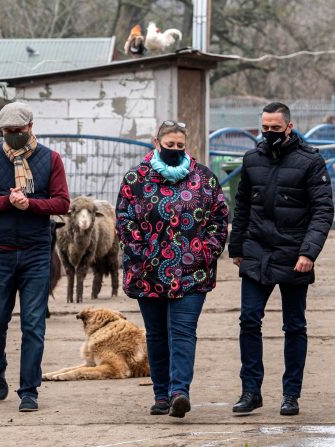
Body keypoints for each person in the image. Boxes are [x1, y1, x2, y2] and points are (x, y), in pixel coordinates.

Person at [115, 120, 228, 418]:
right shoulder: (136, 179)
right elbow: (124, 220)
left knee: (182, 331)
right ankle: (161, 394)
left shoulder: (204, 178)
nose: (175, 150)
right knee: (156, 334)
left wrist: (206, 252)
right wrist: (140, 253)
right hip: (147, 271)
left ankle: (180, 392)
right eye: (170, 146)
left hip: (192, 272)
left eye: (180, 146)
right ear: (157, 142)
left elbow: (219, 219)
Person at [229, 102, 334, 416]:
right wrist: (236, 248)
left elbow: (322, 211)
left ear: (289, 126)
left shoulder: (311, 161)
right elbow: (243, 205)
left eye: (276, 128)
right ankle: (251, 391)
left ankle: (291, 395)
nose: (270, 133)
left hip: (293, 255)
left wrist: (308, 252)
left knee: (294, 326)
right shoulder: (252, 159)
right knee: (248, 320)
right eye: (265, 128)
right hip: (256, 252)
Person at [0, 102, 70, 412]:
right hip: (1, 252)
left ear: (30, 127)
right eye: (8, 132)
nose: (14, 136)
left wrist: (31, 205)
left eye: (19, 131)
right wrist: (7, 202)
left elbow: (62, 202)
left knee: (33, 324)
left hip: (36, 252)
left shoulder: (50, 160)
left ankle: (29, 389)